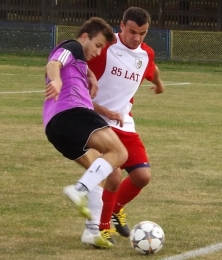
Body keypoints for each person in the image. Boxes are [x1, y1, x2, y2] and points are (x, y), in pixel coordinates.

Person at [81, 7, 165, 245]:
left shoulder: (146, 53)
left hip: (123, 123)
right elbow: (79, 57)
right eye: (132, 32)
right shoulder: (105, 46)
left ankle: (115, 209)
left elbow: (152, 68)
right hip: (95, 122)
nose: (136, 38)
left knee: (142, 176)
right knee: (114, 174)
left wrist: (159, 83)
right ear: (121, 26)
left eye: (142, 33)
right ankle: (103, 227)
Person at [42, 17, 128, 248]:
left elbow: (71, 64)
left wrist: (89, 75)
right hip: (71, 113)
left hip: (54, 127)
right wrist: (57, 81)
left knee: (98, 171)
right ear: (84, 37)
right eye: (98, 45)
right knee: (119, 153)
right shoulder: (72, 46)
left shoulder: (78, 60)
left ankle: (91, 232)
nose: (99, 52)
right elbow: (53, 64)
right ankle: (78, 190)